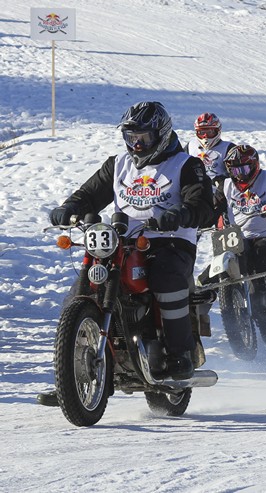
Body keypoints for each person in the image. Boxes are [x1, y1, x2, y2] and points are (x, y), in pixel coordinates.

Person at [49, 101, 215, 379]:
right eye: (131, 138)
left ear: (161, 135)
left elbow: (203, 205)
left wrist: (181, 213)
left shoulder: (187, 165)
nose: (137, 145)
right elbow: (89, 194)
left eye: (144, 138)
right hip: (122, 241)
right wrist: (70, 208)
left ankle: (180, 352)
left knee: (165, 276)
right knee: (84, 285)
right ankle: (69, 374)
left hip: (170, 240)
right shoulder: (118, 164)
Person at [218, 144, 266, 320]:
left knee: (263, 258)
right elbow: (212, 207)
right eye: (235, 170)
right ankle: (206, 297)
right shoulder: (225, 185)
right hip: (235, 234)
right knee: (220, 263)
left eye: (244, 169)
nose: (239, 175)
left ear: (254, 165)